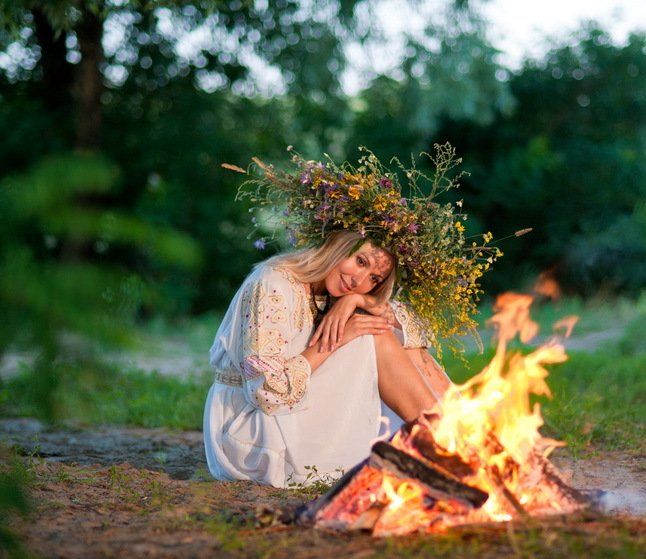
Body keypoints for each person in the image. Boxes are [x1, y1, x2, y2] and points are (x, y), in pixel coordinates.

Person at [203, 145, 498, 487]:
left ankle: (467, 440)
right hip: (250, 433)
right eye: (359, 262)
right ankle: (456, 448)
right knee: (369, 333)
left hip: (289, 418)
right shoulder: (272, 284)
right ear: (338, 245)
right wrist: (341, 336)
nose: (360, 280)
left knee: (378, 329)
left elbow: (412, 337)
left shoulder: (338, 292)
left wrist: (356, 300)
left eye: (374, 279)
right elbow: (267, 392)